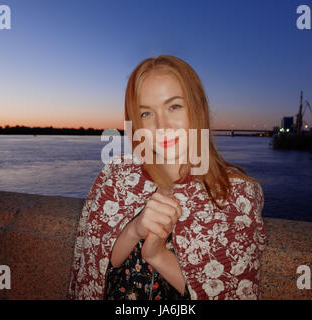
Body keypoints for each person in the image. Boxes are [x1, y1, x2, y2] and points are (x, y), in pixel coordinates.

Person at [68, 55, 266, 300]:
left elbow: (227, 291)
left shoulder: (235, 193)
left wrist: (157, 254)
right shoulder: (118, 177)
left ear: (197, 108)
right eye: (147, 114)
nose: (161, 125)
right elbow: (101, 261)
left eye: (174, 106)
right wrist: (135, 228)